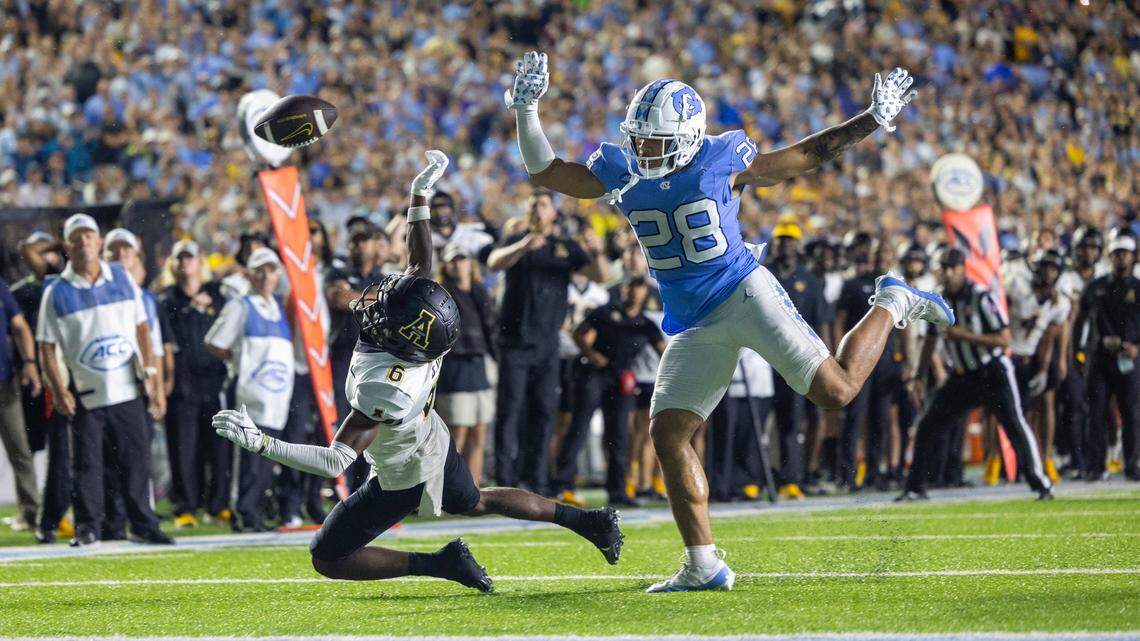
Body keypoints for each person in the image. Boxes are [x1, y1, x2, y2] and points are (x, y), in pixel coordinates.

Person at [506, 52, 951, 591]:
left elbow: (805, 155)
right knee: (669, 433)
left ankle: (892, 302)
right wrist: (526, 111)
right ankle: (703, 564)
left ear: (689, 138)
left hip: (744, 293)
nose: (643, 152)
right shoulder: (622, 167)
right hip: (694, 319)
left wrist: (870, 120)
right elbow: (546, 171)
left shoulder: (721, 158)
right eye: (639, 140)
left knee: (836, 392)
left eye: (656, 143)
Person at [211, 151, 623, 592]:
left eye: (386, 307)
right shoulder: (420, 342)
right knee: (476, 500)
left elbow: (335, 460)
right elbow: (419, 265)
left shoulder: (383, 388)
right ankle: (588, 521)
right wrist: (419, 195)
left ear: (399, 336)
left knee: (327, 556)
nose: (378, 300)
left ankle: (443, 563)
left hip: (405, 473)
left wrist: (261, 442)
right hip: (430, 440)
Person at [36, 213, 171, 546]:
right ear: (67, 247)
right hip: (86, 392)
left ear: (99, 241)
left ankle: (143, 524)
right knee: (87, 465)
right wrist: (58, 390)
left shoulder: (122, 278)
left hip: (127, 387)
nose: (83, 242)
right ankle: (88, 527)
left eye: (88, 236)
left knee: (135, 461)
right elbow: (46, 347)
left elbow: (142, 326)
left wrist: (151, 374)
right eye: (76, 238)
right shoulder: (57, 292)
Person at [900, 248, 1053, 501]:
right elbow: (930, 339)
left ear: (963, 269)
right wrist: (919, 375)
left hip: (993, 371)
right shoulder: (937, 299)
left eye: (952, 268)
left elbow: (1004, 339)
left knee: (1014, 424)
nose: (948, 273)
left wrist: (964, 336)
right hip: (962, 376)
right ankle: (915, 487)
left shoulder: (980, 296)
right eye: (944, 268)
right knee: (927, 425)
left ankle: (1041, 483)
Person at [486, 190, 607, 496]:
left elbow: (599, 276)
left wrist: (596, 253)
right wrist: (523, 246)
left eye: (543, 205)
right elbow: (493, 262)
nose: (538, 210)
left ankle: (537, 480)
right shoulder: (518, 239)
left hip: (548, 344)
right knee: (510, 411)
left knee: (543, 412)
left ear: (553, 212)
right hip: (514, 342)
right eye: (533, 206)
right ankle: (505, 479)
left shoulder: (564, 247)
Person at [553, 276, 666, 506]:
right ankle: (562, 485)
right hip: (595, 375)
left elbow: (663, 352)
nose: (635, 292)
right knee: (579, 428)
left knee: (620, 435)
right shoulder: (606, 312)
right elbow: (579, 332)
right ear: (624, 290)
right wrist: (591, 353)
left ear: (645, 293)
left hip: (622, 380)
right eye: (632, 287)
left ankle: (618, 490)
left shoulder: (645, 323)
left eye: (639, 288)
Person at [206, 247, 295, 532]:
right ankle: (242, 513)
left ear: (278, 274)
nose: (266, 276)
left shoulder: (278, 308)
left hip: (275, 396)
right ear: (249, 275)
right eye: (260, 271)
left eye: (271, 270)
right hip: (248, 393)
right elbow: (215, 341)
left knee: (266, 458)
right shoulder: (241, 305)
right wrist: (238, 361)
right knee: (247, 458)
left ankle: (253, 511)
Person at [101, 228, 171, 540]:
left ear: (135, 258)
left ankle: (140, 519)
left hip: (138, 385)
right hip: (109, 384)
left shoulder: (145, 298)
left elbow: (154, 347)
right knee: (108, 457)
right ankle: (113, 522)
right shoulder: (98, 290)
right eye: (113, 251)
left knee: (137, 457)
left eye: (126, 251)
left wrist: (157, 390)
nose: (119, 256)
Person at [159, 239, 233, 526]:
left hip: (215, 381)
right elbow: (165, 344)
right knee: (183, 448)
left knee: (219, 446)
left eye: (189, 257)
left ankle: (218, 505)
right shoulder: (167, 300)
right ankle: (186, 507)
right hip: (182, 383)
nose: (184, 263)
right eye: (179, 258)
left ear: (200, 263)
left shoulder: (218, 295)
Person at [12, 231, 71, 543]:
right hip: (44, 377)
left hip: (75, 375)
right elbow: (26, 248)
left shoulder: (70, 281)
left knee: (71, 449)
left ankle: (69, 514)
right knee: (48, 447)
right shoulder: (33, 288)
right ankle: (47, 516)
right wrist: (56, 244)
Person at [765, 220, 831, 499]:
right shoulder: (763, 273)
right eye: (781, 240)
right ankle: (758, 477)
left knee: (793, 421)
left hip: (797, 359)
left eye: (790, 240)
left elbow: (822, 320)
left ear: (797, 245)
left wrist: (826, 358)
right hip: (765, 358)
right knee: (761, 420)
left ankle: (792, 477)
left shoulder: (809, 279)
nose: (785, 246)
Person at [325, 217, 391, 490]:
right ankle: (338, 485)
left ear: (375, 245)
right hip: (342, 358)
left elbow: (386, 304)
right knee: (341, 421)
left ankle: (361, 486)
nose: (359, 246)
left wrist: (354, 296)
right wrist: (372, 298)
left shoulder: (384, 278)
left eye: (364, 240)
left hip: (373, 361)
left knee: (369, 422)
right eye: (354, 241)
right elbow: (337, 299)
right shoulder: (337, 270)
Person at [835, 240, 904, 491]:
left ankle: (874, 474)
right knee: (854, 418)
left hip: (885, 362)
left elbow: (905, 327)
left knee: (880, 419)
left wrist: (907, 361)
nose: (882, 257)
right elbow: (839, 321)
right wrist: (837, 355)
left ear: (892, 257)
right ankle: (848, 476)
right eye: (878, 253)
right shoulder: (854, 284)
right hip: (856, 361)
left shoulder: (898, 287)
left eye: (886, 253)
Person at [1071, 232, 1140, 481]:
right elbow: (1079, 321)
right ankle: (1096, 466)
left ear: (1133, 257)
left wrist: (1137, 348)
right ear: (1110, 256)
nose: (1121, 258)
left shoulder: (1139, 288)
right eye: (1117, 253)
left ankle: (1132, 465)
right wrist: (1077, 352)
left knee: (1131, 413)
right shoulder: (1096, 286)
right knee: (1096, 413)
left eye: (1125, 253)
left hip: (1129, 358)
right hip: (1099, 357)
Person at [436, 242, 497, 486]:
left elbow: (491, 330)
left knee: (479, 433)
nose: (458, 264)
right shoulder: (441, 295)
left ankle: (472, 492)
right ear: (445, 266)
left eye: (462, 259)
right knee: (456, 434)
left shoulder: (480, 293)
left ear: (470, 264)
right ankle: (446, 489)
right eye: (453, 260)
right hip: (454, 368)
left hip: (479, 365)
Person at [1007, 249, 1069, 483]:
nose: (1048, 273)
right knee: (1016, 412)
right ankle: (1017, 463)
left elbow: (1049, 336)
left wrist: (1043, 369)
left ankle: (1044, 459)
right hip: (1010, 353)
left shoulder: (1059, 302)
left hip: (1033, 357)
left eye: (1053, 269)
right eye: (1045, 268)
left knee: (1042, 405)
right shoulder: (1018, 287)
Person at [1055, 226, 1105, 478]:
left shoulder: (1105, 275)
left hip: (1100, 349)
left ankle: (1096, 459)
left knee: (1097, 407)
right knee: (1075, 405)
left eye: (1093, 247)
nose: (1088, 252)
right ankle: (1077, 460)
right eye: (1084, 247)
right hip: (1073, 348)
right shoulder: (1066, 279)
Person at [0, 275, 41, 532]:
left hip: (5, 383)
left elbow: (20, 326)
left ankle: (31, 512)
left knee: (20, 450)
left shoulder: (1, 288)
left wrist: (29, 362)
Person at [708, 350, 774, 502]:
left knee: (750, 438)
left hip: (757, 380)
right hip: (727, 378)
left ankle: (746, 483)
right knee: (724, 437)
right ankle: (721, 487)